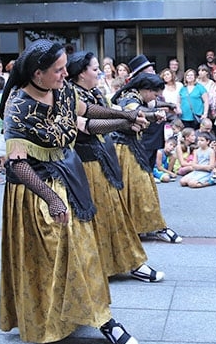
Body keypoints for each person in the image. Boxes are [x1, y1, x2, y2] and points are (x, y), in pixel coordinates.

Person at [0, 39, 139, 344]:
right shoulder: (18, 109)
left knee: (83, 251)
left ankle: (101, 317)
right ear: (37, 74)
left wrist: (125, 118)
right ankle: (65, 319)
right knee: (59, 256)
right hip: (37, 189)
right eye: (59, 70)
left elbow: (86, 117)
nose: (65, 74)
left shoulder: (62, 92)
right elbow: (18, 164)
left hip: (70, 178)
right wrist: (51, 197)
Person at [67, 51, 166, 283]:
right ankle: (109, 265)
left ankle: (123, 263)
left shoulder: (94, 92)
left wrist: (137, 119)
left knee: (112, 214)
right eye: (94, 69)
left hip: (102, 159)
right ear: (82, 73)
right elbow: (88, 125)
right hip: (86, 163)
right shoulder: (70, 94)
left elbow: (113, 113)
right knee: (100, 216)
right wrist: (126, 120)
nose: (99, 72)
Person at [111, 72, 183, 244]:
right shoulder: (128, 97)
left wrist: (167, 105)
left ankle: (142, 226)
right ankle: (151, 227)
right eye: (155, 93)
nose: (156, 98)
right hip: (124, 148)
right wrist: (154, 114)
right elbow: (136, 110)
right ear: (146, 89)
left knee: (141, 188)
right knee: (139, 188)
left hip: (132, 146)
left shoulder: (140, 94)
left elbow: (152, 104)